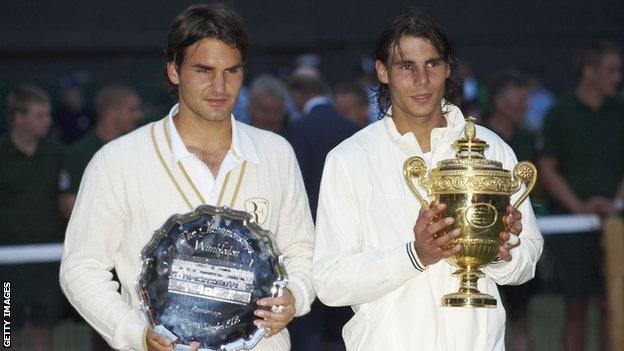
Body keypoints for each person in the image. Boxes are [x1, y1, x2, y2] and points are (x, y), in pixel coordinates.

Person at [60, 4, 315, 351]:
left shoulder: (276, 152)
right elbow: (81, 268)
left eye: (232, 71)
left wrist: (295, 294)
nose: (220, 86)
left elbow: (304, 252)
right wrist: (135, 333)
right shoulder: (117, 161)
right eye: (204, 70)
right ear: (174, 71)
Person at [313, 9, 543, 351]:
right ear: (382, 71)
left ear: (448, 68)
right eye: (406, 66)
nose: (421, 79)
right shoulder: (349, 159)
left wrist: (496, 251)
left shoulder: (491, 148)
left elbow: (528, 259)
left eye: (432, 64)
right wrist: (415, 255)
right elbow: (330, 283)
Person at [539, 39, 624, 351]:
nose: (617, 77)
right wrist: (580, 208)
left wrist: (613, 204)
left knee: (613, 303)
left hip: (616, 223)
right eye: (611, 70)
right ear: (589, 71)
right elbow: (547, 168)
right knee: (575, 305)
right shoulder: (561, 112)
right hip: (572, 225)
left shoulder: (620, 110)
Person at [286, 73, 358, 351]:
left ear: (297, 96)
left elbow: (296, 184)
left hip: (310, 233)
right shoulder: (352, 127)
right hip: (347, 234)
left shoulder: (299, 128)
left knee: (310, 325)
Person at [0, 84, 65, 351]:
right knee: (7, 328)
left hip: (47, 257)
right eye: (40, 115)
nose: (47, 121)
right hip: (6, 259)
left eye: (47, 114)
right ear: (18, 117)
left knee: (43, 327)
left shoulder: (57, 154)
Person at [486, 70, 540, 351]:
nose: (524, 108)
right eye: (518, 102)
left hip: (515, 240)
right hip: (485, 240)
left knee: (521, 316)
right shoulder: (480, 139)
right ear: (500, 103)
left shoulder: (528, 139)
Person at [58, 84, 143, 219]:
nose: (139, 115)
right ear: (112, 112)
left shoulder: (137, 149)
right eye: (132, 110)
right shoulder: (80, 152)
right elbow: (68, 203)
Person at [53, 73, 96, 144]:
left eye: (73, 91)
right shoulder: (60, 112)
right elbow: (56, 134)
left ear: (79, 92)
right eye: (67, 92)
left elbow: (93, 133)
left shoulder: (89, 112)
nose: (70, 95)